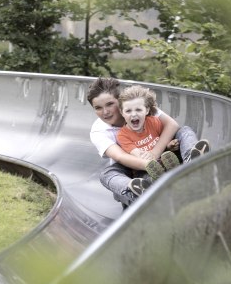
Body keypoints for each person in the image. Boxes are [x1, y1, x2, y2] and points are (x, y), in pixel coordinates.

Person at [87, 78, 210, 207]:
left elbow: (172, 125)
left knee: (184, 130)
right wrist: (151, 164)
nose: (105, 112)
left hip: (162, 154)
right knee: (106, 174)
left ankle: (192, 160)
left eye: (110, 104)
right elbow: (120, 156)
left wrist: (156, 153)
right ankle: (137, 190)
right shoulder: (99, 131)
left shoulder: (138, 107)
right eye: (98, 108)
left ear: (120, 101)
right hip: (132, 168)